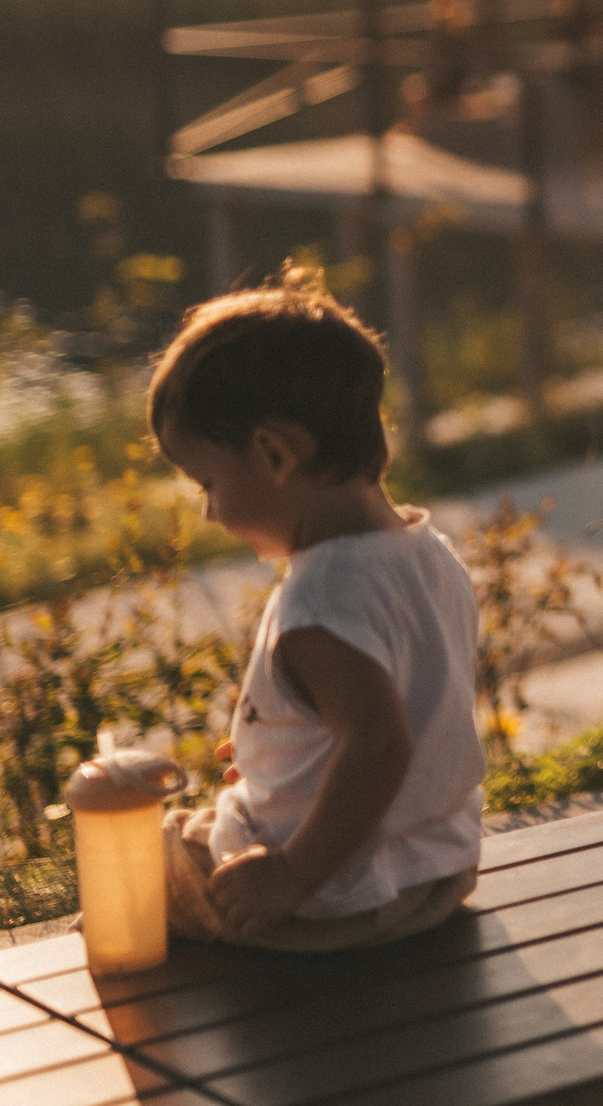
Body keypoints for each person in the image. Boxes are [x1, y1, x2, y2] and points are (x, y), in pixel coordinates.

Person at [146, 267, 485, 951]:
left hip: (332, 897)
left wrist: (290, 876)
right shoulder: (428, 554)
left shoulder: (320, 598)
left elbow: (380, 747)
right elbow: (408, 713)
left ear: (274, 454)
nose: (209, 512)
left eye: (208, 483)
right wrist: (280, 750)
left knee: (147, 853)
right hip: (436, 873)